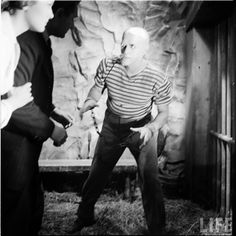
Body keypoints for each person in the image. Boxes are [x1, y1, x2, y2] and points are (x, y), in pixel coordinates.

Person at [71, 27, 172, 235]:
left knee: (150, 179)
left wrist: (151, 128)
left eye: (133, 46)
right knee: (96, 173)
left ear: (145, 50)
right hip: (111, 127)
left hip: (142, 128)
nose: (125, 50)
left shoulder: (157, 77)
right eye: (123, 44)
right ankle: (84, 216)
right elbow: (96, 89)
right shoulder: (108, 64)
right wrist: (89, 101)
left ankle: (157, 230)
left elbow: (163, 113)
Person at [1, 1, 79, 235]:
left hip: (26, 148)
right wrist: (51, 128)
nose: (72, 24)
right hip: (12, 148)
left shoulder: (42, 41)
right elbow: (16, 107)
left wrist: (51, 109)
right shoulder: (23, 43)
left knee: (32, 204)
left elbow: (29, 91)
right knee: (15, 211)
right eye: (71, 18)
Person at [0, 0, 55, 128]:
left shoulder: (10, 40)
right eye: (48, 5)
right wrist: (13, 103)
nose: (51, 15)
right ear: (26, 3)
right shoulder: (3, 42)